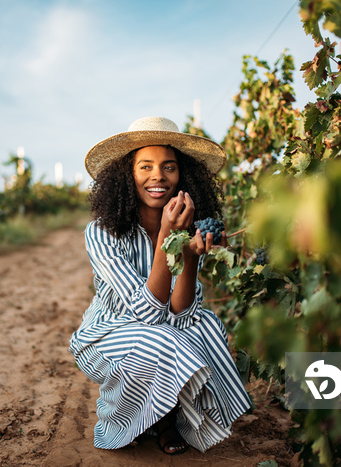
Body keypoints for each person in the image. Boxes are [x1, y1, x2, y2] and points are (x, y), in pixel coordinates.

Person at [69, 116, 251, 455]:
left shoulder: (189, 229)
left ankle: (167, 415)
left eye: (169, 167)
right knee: (159, 338)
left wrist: (190, 256)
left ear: (183, 175)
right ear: (128, 175)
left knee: (206, 326)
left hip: (162, 330)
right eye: (145, 167)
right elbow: (147, 312)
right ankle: (122, 418)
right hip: (106, 337)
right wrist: (167, 236)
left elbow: (182, 314)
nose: (158, 176)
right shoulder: (103, 233)